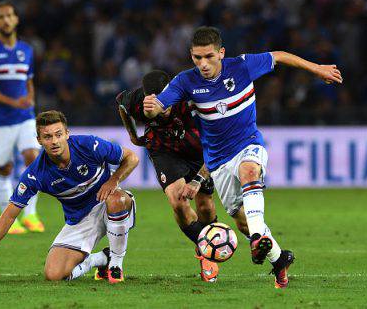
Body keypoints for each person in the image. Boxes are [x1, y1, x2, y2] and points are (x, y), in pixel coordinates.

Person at [143, 26, 343, 288]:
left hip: (248, 144)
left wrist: (317, 69)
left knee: (250, 172)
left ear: (221, 53)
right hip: (217, 161)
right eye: (197, 58)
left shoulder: (242, 66)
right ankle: (279, 259)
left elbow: (279, 55)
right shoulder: (185, 81)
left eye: (209, 57)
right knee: (242, 222)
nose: (203, 64)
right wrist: (151, 109)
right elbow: (159, 106)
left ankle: (260, 237)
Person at [0, 110, 139, 283]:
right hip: (80, 219)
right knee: (53, 275)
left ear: (67, 134)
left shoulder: (89, 145)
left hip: (108, 203)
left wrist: (114, 180)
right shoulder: (36, 173)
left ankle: (116, 265)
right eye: (47, 137)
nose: (54, 141)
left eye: (58, 134)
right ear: (39, 140)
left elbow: (131, 158)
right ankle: (101, 259)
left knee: (117, 199)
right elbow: (10, 213)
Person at [116, 70, 221, 282]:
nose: (159, 109)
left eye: (164, 102)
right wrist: (132, 135)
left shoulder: (194, 100)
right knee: (178, 200)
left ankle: (209, 242)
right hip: (164, 151)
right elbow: (121, 105)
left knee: (205, 207)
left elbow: (219, 145)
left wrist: (198, 179)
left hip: (200, 153)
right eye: (153, 103)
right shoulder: (138, 102)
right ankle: (206, 251)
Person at [0, 1, 44, 234]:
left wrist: (30, 98)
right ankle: (9, 219)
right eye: (0, 17)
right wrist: (14, 102)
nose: (5, 20)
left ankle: (31, 215)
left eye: (9, 16)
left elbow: (29, 79)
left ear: (16, 19)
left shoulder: (27, 50)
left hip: (24, 116)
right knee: (4, 168)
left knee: (33, 158)